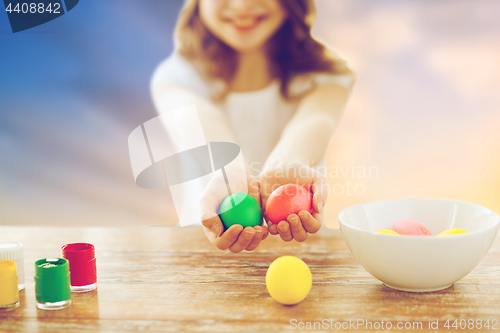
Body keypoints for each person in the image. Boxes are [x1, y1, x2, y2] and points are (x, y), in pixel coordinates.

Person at [151, 0, 355, 252]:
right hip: (204, 252)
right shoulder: (176, 76)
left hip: (303, 252)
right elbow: (198, 121)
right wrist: (230, 170)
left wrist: (285, 162)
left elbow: (315, 121)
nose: (241, 5)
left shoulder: (328, 73)